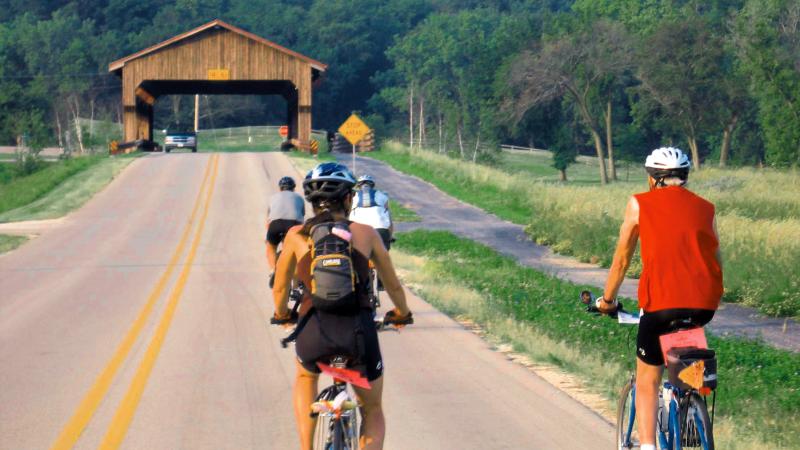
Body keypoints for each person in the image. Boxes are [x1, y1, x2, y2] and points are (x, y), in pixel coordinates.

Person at [271, 162, 412, 450]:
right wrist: (402, 314)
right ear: (349, 199)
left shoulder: (296, 235)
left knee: (305, 375)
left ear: (311, 202)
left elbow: (281, 286)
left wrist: (283, 314)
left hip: (313, 333)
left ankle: (306, 447)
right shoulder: (366, 233)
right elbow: (393, 285)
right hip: (358, 334)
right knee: (371, 409)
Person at [598, 147, 723, 450]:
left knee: (647, 381)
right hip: (703, 305)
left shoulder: (640, 204)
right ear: (684, 177)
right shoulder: (707, 208)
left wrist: (607, 301)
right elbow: (716, 257)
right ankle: (693, 417)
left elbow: (622, 260)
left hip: (660, 305)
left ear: (653, 178)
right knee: (689, 376)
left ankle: (649, 446)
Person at [266, 176, 305, 287]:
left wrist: (270, 236)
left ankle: (273, 270)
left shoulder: (273, 198)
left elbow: (268, 221)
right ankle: (296, 284)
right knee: (296, 252)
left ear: (280, 188)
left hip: (276, 225)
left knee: (271, 247)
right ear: (293, 188)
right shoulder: (299, 198)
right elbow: (301, 218)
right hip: (293, 225)